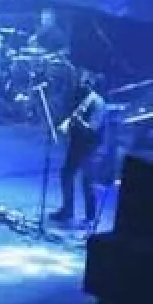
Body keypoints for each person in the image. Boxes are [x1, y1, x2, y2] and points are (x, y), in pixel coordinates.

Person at [52, 71, 107, 226]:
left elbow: (92, 129)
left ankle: (90, 218)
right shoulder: (84, 100)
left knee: (87, 181)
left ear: (90, 84)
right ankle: (67, 210)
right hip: (77, 145)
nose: (79, 85)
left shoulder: (97, 103)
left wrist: (78, 121)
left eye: (83, 82)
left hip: (91, 148)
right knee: (66, 174)